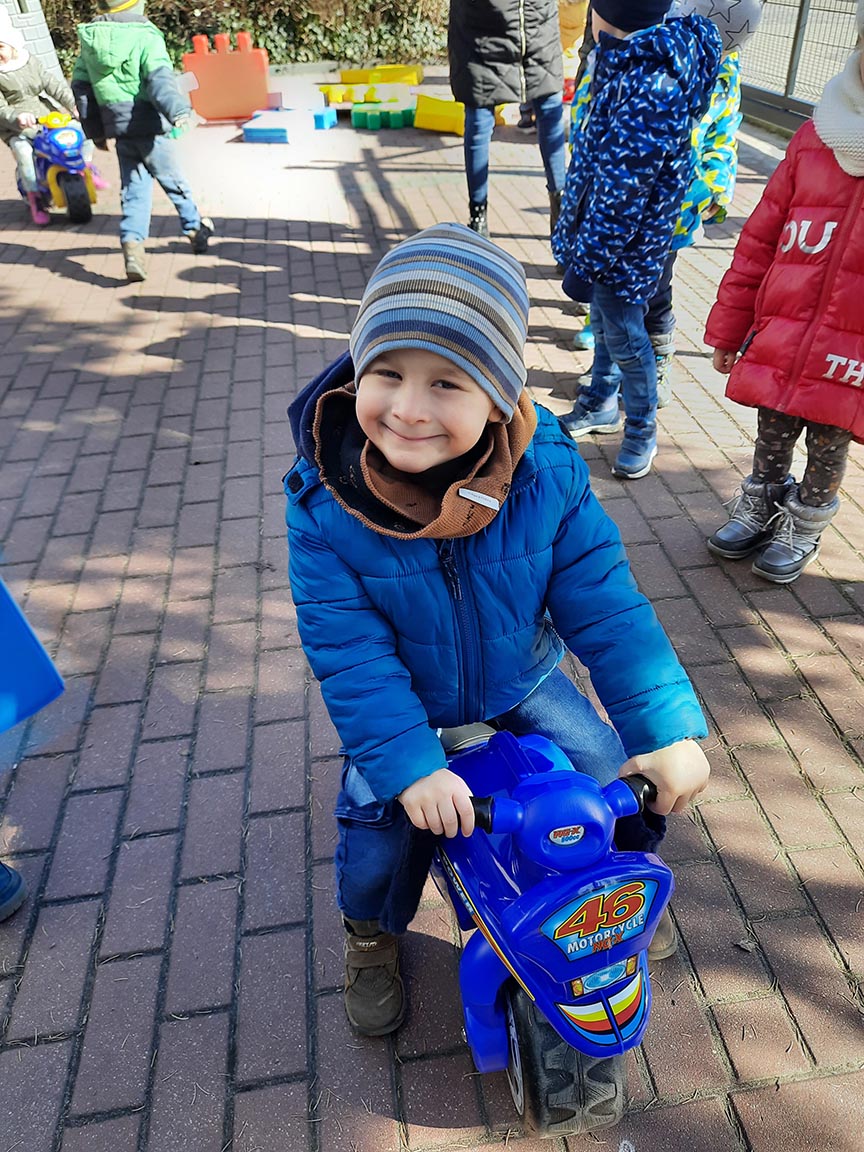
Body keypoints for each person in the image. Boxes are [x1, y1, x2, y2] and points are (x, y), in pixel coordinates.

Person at [285, 223, 711, 1036]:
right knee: (380, 828)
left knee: (607, 780)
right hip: (409, 702)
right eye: (387, 373)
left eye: (448, 382)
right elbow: (350, 654)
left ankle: (609, 891)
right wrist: (410, 764)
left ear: (500, 395)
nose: (408, 409)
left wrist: (665, 730)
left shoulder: (546, 469)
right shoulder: (324, 499)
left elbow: (607, 605)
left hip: (521, 673)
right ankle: (371, 931)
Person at [703, 7, 864, 584]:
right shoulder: (816, 135)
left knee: (828, 440)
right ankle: (761, 502)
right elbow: (760, 240)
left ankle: (806, 522)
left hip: (851, 345)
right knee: (771, 428)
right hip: (785, 329)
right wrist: (729, 328)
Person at [552, 0, 722, 479]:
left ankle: (642, 429)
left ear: (609, 15)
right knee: (607, 324)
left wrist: (587, 261)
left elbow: (622, 193)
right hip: (607, 240)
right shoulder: (624, 61)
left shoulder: (651, 82)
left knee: (626, 335)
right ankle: (600, 402)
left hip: (625, 246)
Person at [568, 0, 764, 407]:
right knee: (609, 281)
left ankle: (656, 362)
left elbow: (723, 134)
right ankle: (605, 365)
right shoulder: (651, 54)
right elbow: (590, 115)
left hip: (672, 208)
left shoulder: (724, 73)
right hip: (624, 195)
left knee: (655, 293)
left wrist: (714, 188)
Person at [71, 0, 213, 283]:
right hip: (150, 127)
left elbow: (82, 89)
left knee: (134, 191)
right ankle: (195, 230)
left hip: (122, 130)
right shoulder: (146, 35)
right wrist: (179, 111)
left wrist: (96, 132)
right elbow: (159, 81)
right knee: (174, 182)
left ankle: (132, 245)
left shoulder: (90, 40)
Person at [448, 0, 567, 239]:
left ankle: (561, 207)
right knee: (480, 120)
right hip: (483, 32)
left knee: (549, 111)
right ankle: (478, 215)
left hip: (535, 27)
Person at [0, 13, 105, 228]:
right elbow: (1, 108)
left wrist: (73, 104)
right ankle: (35, 199)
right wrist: (16, 117)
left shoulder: (28, 61)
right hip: (17, 126)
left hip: (46, 114)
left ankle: (85, 166)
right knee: (24, 152)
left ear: (12, 45)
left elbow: (52, 84)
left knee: (82, 132)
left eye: (0, 47)